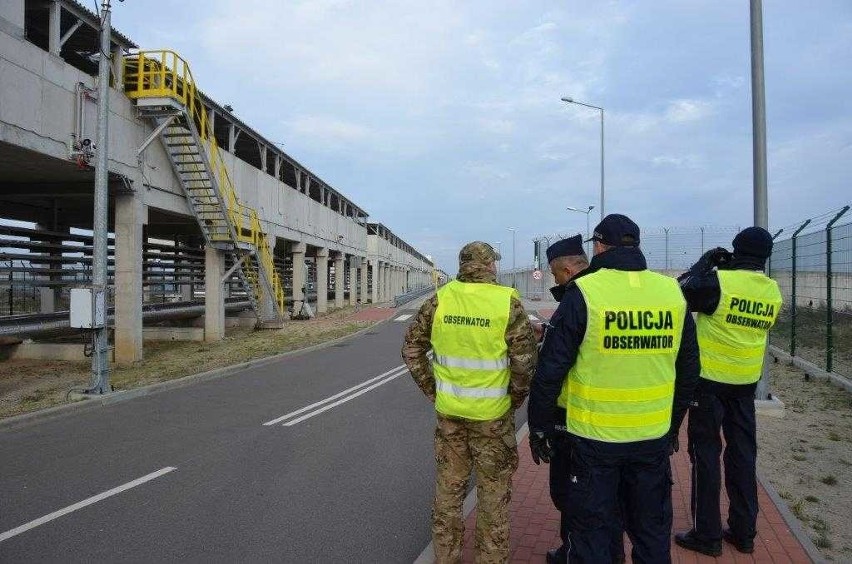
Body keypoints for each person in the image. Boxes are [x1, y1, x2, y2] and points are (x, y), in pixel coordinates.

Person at [528, 214, 700, 564]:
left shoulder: (584, 294)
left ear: (599, 246)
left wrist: (540, 427)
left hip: (594, 442)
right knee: (650, 532)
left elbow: (550, 371)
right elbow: (689, 370)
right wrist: (673, 424)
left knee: (592, 533)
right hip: (651, 438)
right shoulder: (671, 293)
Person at [402, 241, 537, 563]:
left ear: (463, 266)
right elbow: (524, 363)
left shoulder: (440, 300)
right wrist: (513, 400)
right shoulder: (507, 303)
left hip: (450, 414)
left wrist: (434, 390)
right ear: (490, 265)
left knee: (449, 489)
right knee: (493, 493)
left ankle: (445, 557)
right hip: (492, 417)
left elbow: (411, 349)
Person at [674, 227, 782, 557]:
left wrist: (704, 263)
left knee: (705, 456)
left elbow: (680, 293)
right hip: (745, 386)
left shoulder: (719, 283)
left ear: (735, 251)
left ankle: (706, 534)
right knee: (743, 456)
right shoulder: (772, 292)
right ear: (766, 257)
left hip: (708, 384)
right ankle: (743, 531)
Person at [528, 235, 625, 564]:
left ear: (567, 270)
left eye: (555, 275)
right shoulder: (611, 291)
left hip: (578, 419)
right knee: (609, 501)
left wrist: (539, 427)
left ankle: (574, 553)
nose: (555, 281)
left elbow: (550, 372)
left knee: (572, 496)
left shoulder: (577, 297)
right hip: (625, 420)